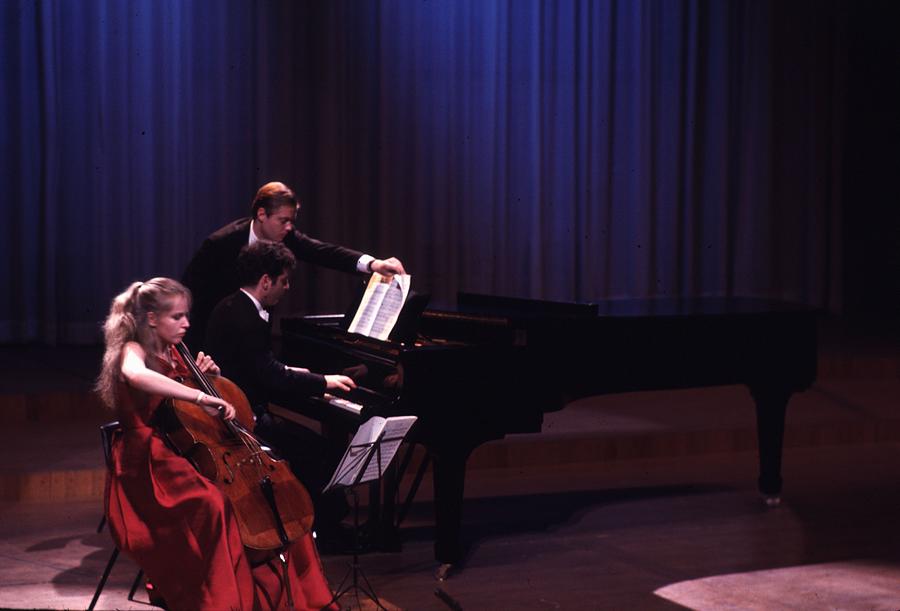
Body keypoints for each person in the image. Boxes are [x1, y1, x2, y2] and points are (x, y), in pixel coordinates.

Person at [95, 277, 337, 610]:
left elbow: (182, 414)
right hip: (146, 462)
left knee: (275, 497)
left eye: (186, 315)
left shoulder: (177, 348)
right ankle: (222, 600)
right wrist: (198, 393)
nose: (186, 323)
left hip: (182, 450)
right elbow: (138, 377)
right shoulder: (133, 349)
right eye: (176, 317)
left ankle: (299, 596)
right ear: (151, 318)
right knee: (215, 504)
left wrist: (207, 377)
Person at [204, 242, 357, 544]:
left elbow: (260, 365)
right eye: (284, 280)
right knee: (317, 450)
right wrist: (323, 382)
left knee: (311, 445)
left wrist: (299, 374)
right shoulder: (247, 318)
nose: (287, 287)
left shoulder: (232, 305)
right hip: (244, 423)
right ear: (265, 281)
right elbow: (270, 376)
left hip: (243, 411)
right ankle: (328, 533)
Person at [182, 181, 406, 351]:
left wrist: (373, 264)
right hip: (211, 342)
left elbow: (323, 252)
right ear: (261, 214)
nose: (289, 227)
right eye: (283, 220)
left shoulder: (285, 237)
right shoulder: (220, 243)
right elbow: (191, 291)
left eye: (292, 221)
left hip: (256, 340)